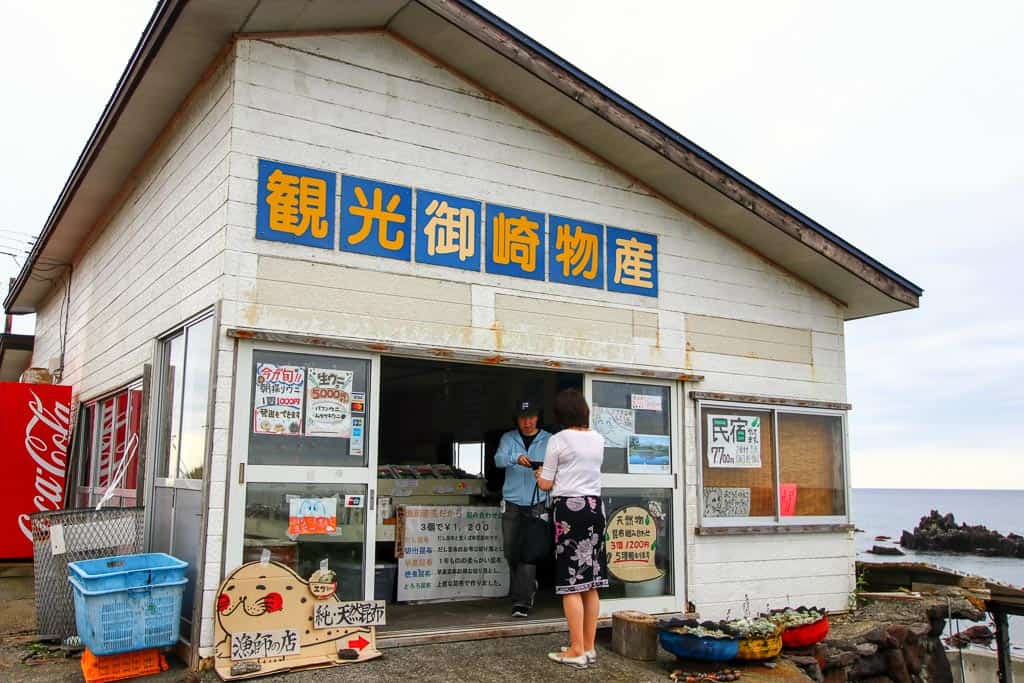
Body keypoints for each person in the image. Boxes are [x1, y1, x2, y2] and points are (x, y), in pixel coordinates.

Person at [535, 388, 607, 669]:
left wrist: (540, 474)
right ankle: (588, 646)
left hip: (569, 510)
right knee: (591, 581)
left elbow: (546, 484)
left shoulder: (558, 440)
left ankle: (575, 650)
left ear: (561, 414)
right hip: (595, 508)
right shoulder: (598, 438)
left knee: (570, 583)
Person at [493, 398, 552, 618]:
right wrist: (515, 458)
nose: (527, 422)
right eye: (522, 418)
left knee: (528, 553)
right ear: (516, 420)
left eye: (531, 417)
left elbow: (559, 466)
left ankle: (521, 601)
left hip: (537, 502)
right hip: (511, 502)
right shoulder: (508, 438)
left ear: (538, 418)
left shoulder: (549, 439)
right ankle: (528, 586)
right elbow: (498, 460)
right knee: (510, 551)